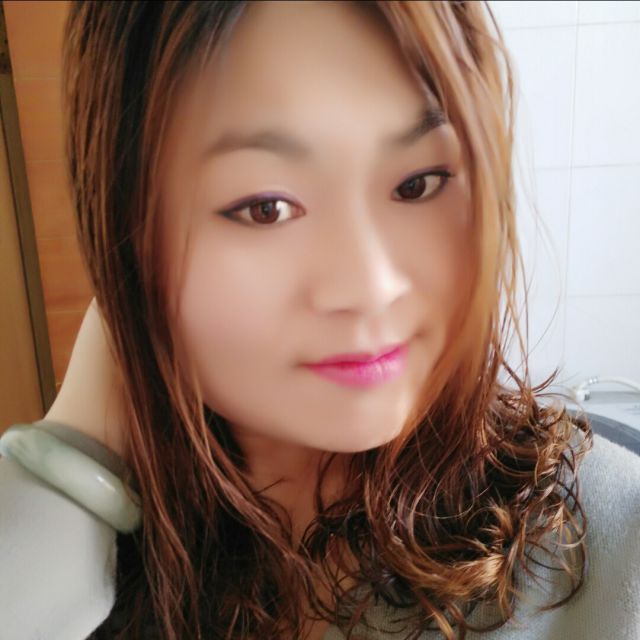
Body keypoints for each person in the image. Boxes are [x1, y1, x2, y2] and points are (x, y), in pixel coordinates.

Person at [1, 1, 639, 639]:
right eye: (265, 208)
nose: (371, 287)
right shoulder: (75, 564)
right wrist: (70, 449)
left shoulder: (612, 548)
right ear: (129, 241)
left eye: (418, 183)